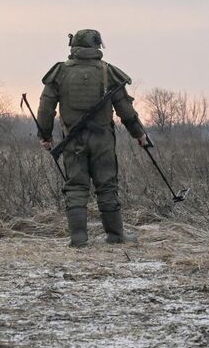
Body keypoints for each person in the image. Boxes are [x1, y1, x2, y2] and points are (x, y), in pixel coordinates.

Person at [35, 29, 150, 247]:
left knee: (76, 186)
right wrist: (140, 134)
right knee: (106, 185)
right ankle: (116, 236)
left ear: (74, 46)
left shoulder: (59, 73)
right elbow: (125, 110)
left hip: (72, 141)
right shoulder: (108, 72)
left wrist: (45, 136)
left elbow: (45, 108)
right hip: (103, 140)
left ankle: (78, 239)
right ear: (97, 46)